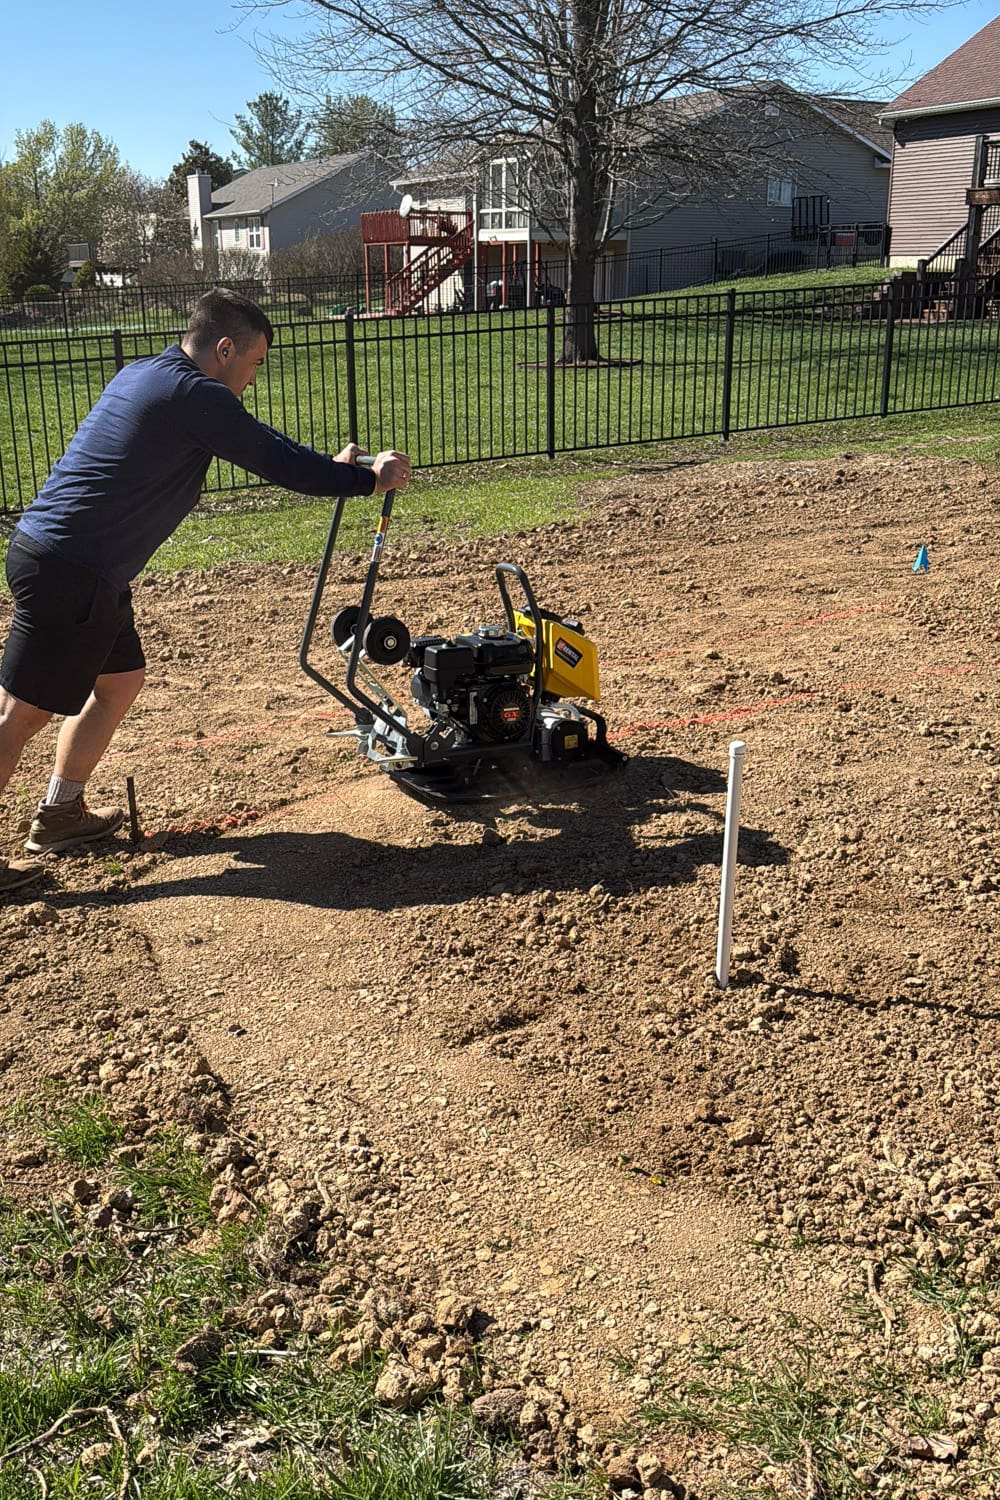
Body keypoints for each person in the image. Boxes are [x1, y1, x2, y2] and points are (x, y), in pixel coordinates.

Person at [0, 287, 410, 894]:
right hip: (71, 569)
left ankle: (62, 815)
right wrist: (364, 479)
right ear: (224, 348)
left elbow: (267, 451)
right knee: (18, 715)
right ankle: (54, 818)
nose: (251, 378)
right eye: (254, 363)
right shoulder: (195, 393)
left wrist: (337, 469)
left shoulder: (150, 375)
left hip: (80, 567)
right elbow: (275, 459)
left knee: (118, 682)